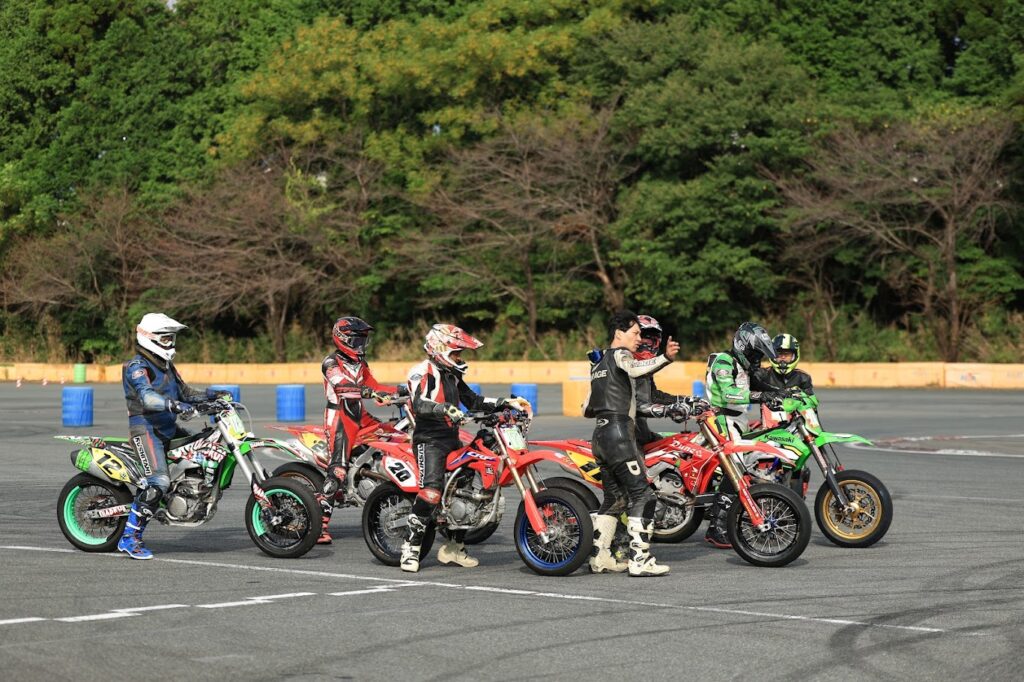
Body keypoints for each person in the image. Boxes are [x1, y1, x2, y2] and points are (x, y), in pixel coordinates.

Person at [400, 323, 529, 573]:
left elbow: (473, 401)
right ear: (440, 349)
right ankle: (410, 547)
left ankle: (454, 547)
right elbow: (419, 403)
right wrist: (444, 408)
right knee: (431, 492)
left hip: (452, 437)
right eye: (457, 353)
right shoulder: (422, 371)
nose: (460, 358)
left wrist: (505, 403)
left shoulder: (452, 375)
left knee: (465, 491)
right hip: (429, 440)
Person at [118, 313, 225, 559]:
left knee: (201, 450)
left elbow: (185, 392)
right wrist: (174, 405)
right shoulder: (137, 367)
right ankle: (129, 538)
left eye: (171, 339)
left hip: (167, 427)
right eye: (166, 339)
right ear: (149, 338)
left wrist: (213, 395)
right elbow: (147, 397)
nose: (171, 344)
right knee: (159, 482)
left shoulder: (165, 365)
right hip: (146, 429)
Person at [584, 310, 679, 577]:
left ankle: (600, 557)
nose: (639, 339)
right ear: (619, 333)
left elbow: (586, 408)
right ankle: (640, 560)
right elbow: (636, 368)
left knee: (614, 499)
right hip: (619, 434)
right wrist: (665, 358)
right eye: (635, 333)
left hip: (600, 436)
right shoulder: (620, 355)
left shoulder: (598, 362)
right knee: (643, 496)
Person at [317, 316, 408, 545]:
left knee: (397, 435)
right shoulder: (330, 363)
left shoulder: (360, 363)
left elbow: (374, 385)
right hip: (339, 416)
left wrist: (403, 390)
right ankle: (319, 524)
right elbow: (343, 386)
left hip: (360, 414)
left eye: (363, 340)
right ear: (342, 339)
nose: (361, 345)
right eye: (356, 340)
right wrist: (371, 393)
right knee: (338, 470)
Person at [702, 321, 790, 549]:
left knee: (748, 465)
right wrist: (762, 397)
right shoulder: (724, 361)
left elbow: (758, 384)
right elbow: (729, 393)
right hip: (721, 418)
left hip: (738, 420)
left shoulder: (744, 366)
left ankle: (736, 515)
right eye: (755, 353)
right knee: (736, 469)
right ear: (743, 347)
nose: (757, 359)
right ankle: (716, 526)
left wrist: (783, 392)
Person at [633, 314, 697, 447]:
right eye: (643, 341)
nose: (646, 346)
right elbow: (631, 406)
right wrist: (668, 410)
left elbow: (653, 396)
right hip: (625, 440)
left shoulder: (645, 370)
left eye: (650, 342)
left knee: (682, 445)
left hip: (640, 433)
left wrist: (687, 401)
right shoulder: (624, 365)